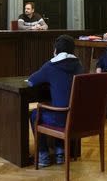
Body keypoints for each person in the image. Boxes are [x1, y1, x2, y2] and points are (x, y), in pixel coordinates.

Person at [28, 34, 84, 167]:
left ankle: (43, 155)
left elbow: (32, 81)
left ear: (55, 51)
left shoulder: (51, 66)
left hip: (62, 119)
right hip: (78, 118)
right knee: (59, 107)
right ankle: (61, 152)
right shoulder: (79, 65)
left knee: (35, 114)